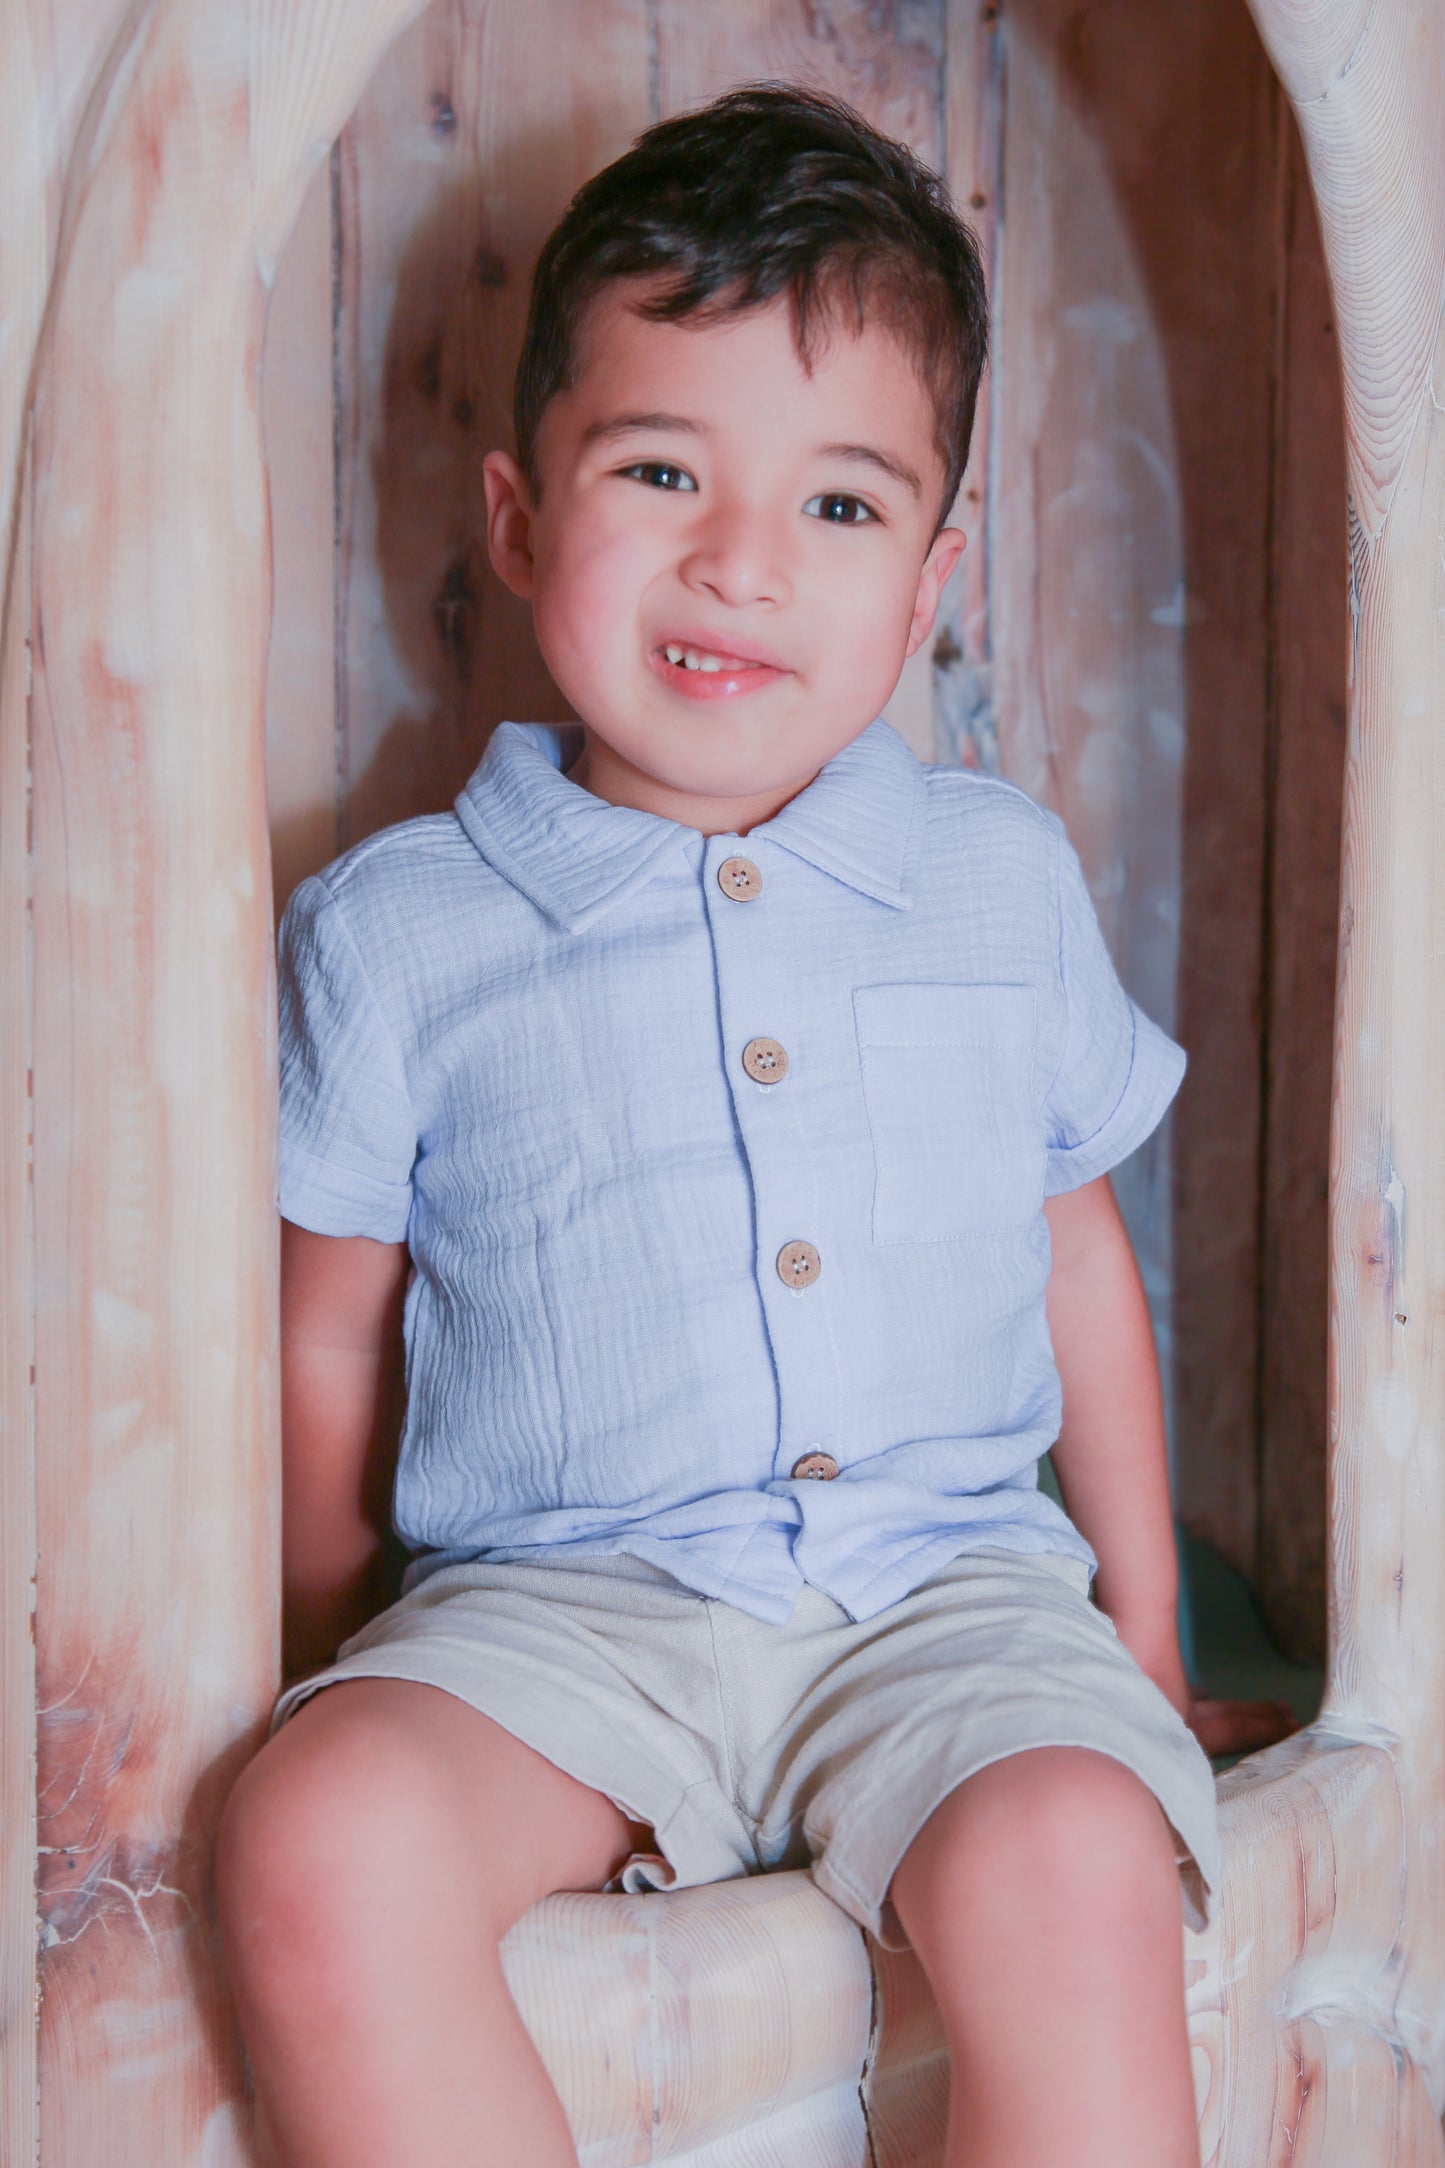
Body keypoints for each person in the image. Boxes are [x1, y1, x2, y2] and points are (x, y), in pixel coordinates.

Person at [219, 82, 1255, 2168]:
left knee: (1076, 1855)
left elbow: (1074, 1256)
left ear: (933, 578)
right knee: (318, 1834)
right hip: (558, 1610)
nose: (742, 560)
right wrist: (338, 1653)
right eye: (663, 469)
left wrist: (1138, 1639)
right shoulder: (402, 924)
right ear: (522, 519)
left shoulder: (992, 874)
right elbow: (326, 1333)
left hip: (950, 1597)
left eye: (840, 507)